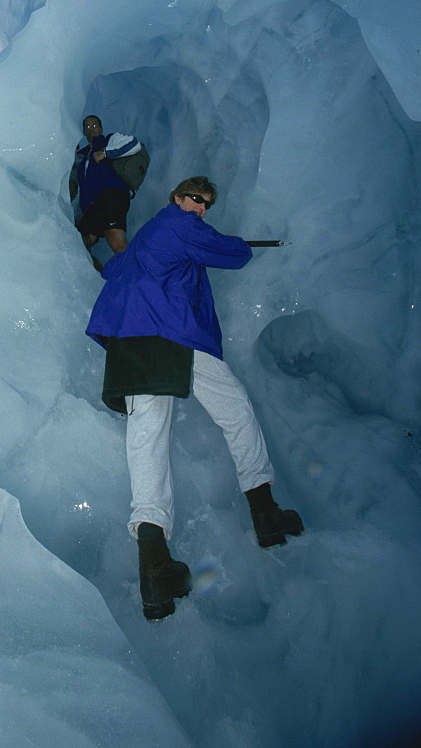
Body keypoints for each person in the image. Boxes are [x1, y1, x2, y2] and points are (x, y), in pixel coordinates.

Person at [86, 176, 304, 620]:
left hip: (130, 339)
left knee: (147, 435)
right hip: (167, 332)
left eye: (207, 204)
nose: (201, 207)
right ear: (177, 198)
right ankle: (265, 513)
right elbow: (233, 254)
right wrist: (236, 243)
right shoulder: (177, 224)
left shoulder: (150, 237)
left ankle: (155, 566)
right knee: (235, 408)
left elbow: (113, 271)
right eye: (195, 199)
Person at [71, 115, 142, 258]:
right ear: (83, 132)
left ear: (101, 128)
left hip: (112, 195)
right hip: (92, 205)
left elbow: (134, 144)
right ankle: (98, 278)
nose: (92, 129)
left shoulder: (109, 140)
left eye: (95, 125)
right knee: (79, 243)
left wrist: (104, 153)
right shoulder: (82, 156)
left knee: (114, 237)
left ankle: (135, 276)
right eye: (88, 127)